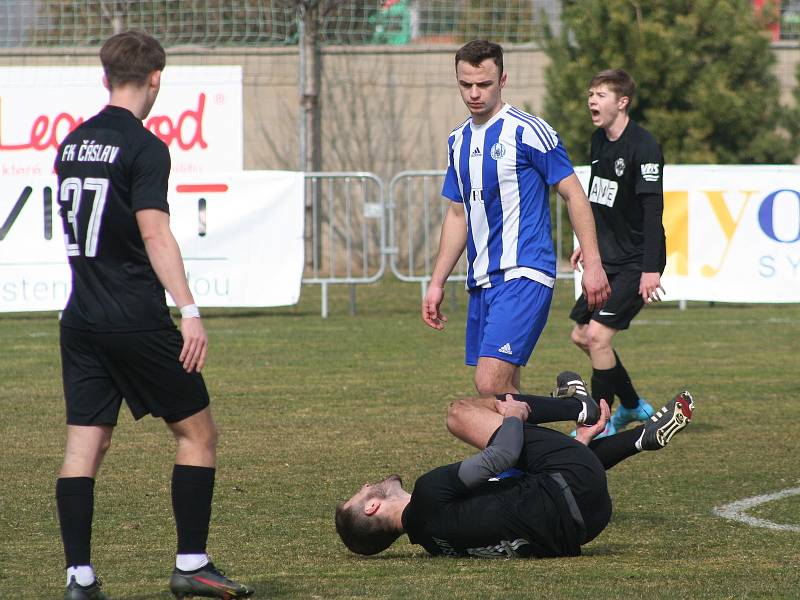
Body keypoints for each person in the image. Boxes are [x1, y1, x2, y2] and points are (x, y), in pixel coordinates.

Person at [54, 31, 253, 600]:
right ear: (156, 78)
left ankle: (80, 579)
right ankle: (191, 564)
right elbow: (154, 230)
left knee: (84, 447)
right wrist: (188, 310)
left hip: (81, 318)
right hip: (135, 317)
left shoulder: (72, 143)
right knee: (197, 434)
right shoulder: (145, 146)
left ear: (105, 76)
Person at [422, 40, 610, 397]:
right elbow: (458, 212)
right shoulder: (457, 140)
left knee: (489, 383)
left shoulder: (528, 131)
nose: (475, 93)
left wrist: (594, 264)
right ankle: (542, 451)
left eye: (484, 84)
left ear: (503, 79)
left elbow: (574, 194)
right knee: (503, 394)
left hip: (525, 272)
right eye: (466, 85)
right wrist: (436, 282)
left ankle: (577, 408)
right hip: (483, 281)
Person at [335, 371, 694, 558]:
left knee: (530, 476)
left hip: (588, 520)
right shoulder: (428, 493)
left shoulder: (434, 542)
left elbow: (517, 492)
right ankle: (578, 407)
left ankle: (639, 439)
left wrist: (579, 445)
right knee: (459, 414)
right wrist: (515, 416)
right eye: (361, 491)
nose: (367, 483)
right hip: (573, 485)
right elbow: (502, 456)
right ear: (372, 506)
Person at [569, 68, 667, 437]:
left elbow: (652, 210)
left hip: (634, 261)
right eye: (591, 93)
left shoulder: (643, 146)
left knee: (598, 337)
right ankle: (630, 405)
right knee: (583, 336)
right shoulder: (599, 140)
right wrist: (586, 244)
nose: (592, 100)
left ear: (622, 102)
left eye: (601, 94)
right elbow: (596, 199)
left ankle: (600, 422)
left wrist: (650, 268)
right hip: (606, 259)